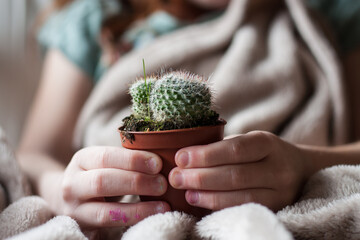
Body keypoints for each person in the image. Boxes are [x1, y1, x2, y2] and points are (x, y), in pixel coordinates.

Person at [17, 0, 360, 230]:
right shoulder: (98, 16)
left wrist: (303, 164)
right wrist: (62, 190)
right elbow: (35, 153)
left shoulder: (327, 14)